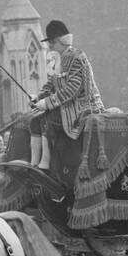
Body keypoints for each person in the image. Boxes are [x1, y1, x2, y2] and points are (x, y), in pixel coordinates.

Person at [21, 19, 105, 172]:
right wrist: (38, 97)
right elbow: (51, 84)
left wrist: (46, 103)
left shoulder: (78, 58)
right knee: (34, 120)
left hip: (83, 106)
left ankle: (49, 162)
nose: (50, 46)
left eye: (52, 43)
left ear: (60, 41)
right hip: (64, 106)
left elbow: (71, 90)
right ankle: (36, 163)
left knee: (49, 119)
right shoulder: (53, 59)